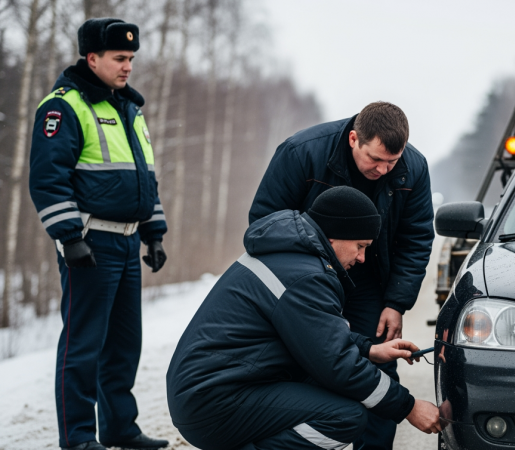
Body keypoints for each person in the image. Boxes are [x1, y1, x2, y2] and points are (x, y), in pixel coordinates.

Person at [167, 187, 441, 450]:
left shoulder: (290, 255)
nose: (361, 258)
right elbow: (337, 364)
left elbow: (316, 336)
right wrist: (409, 406)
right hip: (213, 404)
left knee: (335, 391)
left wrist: (369, 349)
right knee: (344, 416)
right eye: (360, 246)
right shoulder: (307, 276)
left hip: (206, 392)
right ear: (335, 235)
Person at [248, 102, 434, 449]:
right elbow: (264, 224)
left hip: (368, 280)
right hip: (306, 279)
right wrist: (304, 272)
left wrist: (396, 302)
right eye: (375, 160)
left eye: (392, 162)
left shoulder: (414, 168)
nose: (383, 169)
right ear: (353, 139)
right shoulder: (301, 153)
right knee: (305, 366)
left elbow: (416, 238)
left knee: (376, 363)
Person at [28, 18, 169, 450]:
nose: (128, 66)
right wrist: (69, 237)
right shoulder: (63, 107)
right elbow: (47, 179)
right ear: (92, 58)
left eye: (131, 58)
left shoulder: (128, 109)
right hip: (90, 243)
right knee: (83, 344)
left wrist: (154, 232)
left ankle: (119, 428)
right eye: (119, 58)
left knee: (125, 344)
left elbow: (144, 178)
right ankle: (77, 438)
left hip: (127, 243)